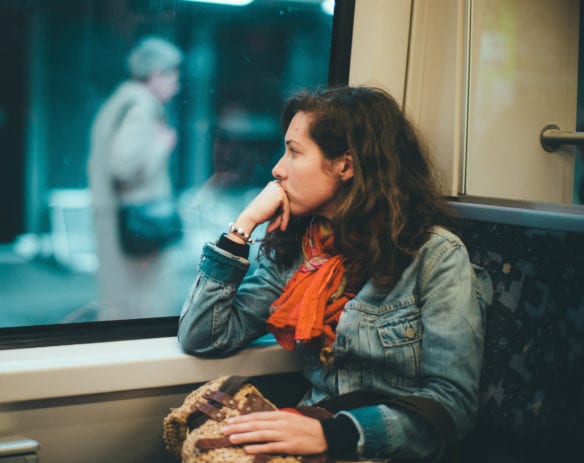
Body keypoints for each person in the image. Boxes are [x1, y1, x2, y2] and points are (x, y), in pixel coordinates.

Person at [177, 86, 493, 461]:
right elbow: (202, 336)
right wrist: (242, 229)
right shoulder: (300, 250)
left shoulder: (435, 256)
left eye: (294, 152)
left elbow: (451, 405)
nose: (277, 169)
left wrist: (333, 434)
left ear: (346, 164)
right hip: (315, 430)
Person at [87, 36, 184, 319]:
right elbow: (122, 168)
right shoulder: (140, 109)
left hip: (119, 221)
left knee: (119, 301)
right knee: (147, 302)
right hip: (139, 224)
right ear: (156, 74)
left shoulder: (119, 103)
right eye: (173, 76)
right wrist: (161, 147)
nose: (176, 85)